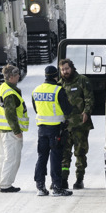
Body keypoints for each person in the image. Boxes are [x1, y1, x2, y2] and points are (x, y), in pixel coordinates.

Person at [31, 64, 74, 196]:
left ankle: (40, 187)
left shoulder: (36, 90)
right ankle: (56, 187)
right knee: (55, 157)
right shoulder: (58, 90)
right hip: (56, 129)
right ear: (56, 76)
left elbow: (36, 109)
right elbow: (68, 110)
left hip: (42, 129)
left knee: (42, 157)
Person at [58, 58, 93, 189]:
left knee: (80, 153)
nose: (65, 72)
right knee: (64, 154)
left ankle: (79, 179)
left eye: (67, 69)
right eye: (62, 70)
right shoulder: (59, 84)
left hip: (80, 124)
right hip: (65, 125)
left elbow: (89, 98)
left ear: (72, 68)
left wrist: (87, 112)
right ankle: (63, 179)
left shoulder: (82, 81)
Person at [0, 64, 27, 192]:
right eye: (17, 74)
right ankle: (6, 184)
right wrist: (17, 131)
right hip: (11, 131)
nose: (19, 76)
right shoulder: (10, 92)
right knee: (12, 158)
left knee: (3, 157)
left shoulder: (1, 88)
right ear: (11, 77)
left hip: (3, 130)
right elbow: (10, 113)